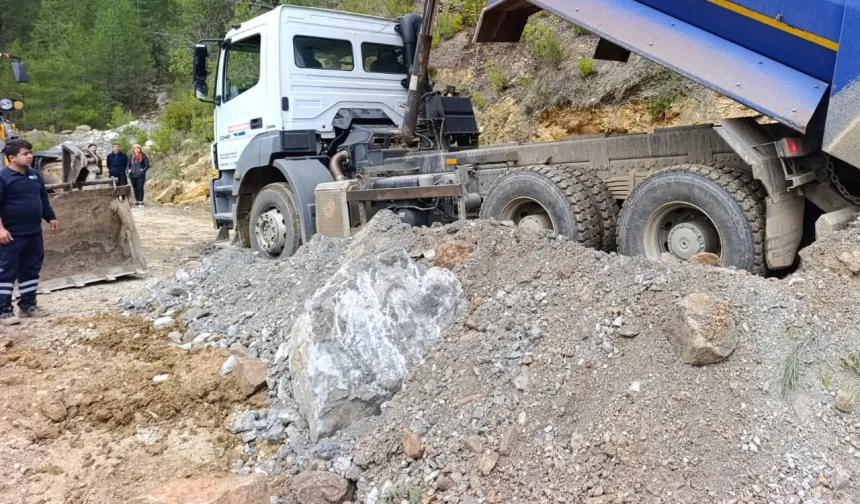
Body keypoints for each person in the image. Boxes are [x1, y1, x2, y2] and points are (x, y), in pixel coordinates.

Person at [0, 139, 58, 325]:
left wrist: (50, 217)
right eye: (25, 154)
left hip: (33, 232)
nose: (30, 156)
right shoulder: (3, 178)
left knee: (31, 268)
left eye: (30, 152)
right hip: (11, 234)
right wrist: (0, 229)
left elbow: (42, 198)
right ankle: (4, 311)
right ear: (11, 158)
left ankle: (27, 305)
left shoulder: (34, 175)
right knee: (6, 270)